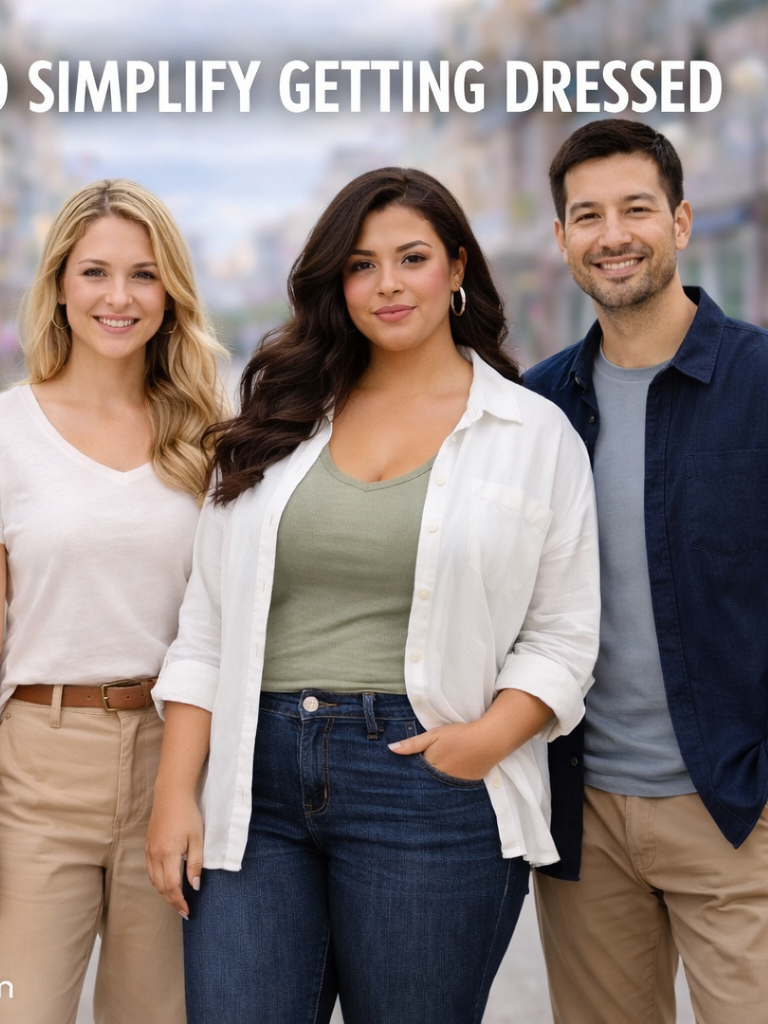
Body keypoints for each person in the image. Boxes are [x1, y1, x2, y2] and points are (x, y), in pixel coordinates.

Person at [145, 167, 600, 1024]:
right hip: (256, 781)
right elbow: (204, 625)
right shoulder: (281, 413)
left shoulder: (531, 433)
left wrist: (482, 743)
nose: (387, 284)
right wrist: (176, 796)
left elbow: (566, 632)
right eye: (360, 264)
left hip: (425, 784)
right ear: (336, 284)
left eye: (412, 258)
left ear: (458, 268)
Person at [0, 178, 226, 1024]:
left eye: (143, 275)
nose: (119, 297)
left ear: (170, 295)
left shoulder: (209, 438)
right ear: (60, 284)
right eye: (95, 272)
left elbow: (216, 626)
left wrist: (186, 789)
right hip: (35, 765)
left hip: (174, 763)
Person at [525, 118, 768, 1024]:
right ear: (561, 241)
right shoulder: (538, 405)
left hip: (738, 810)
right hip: (585, 818)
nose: (612, 234)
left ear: (680, 222)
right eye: (587, 216)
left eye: (636, 208)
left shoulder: (761, 383)